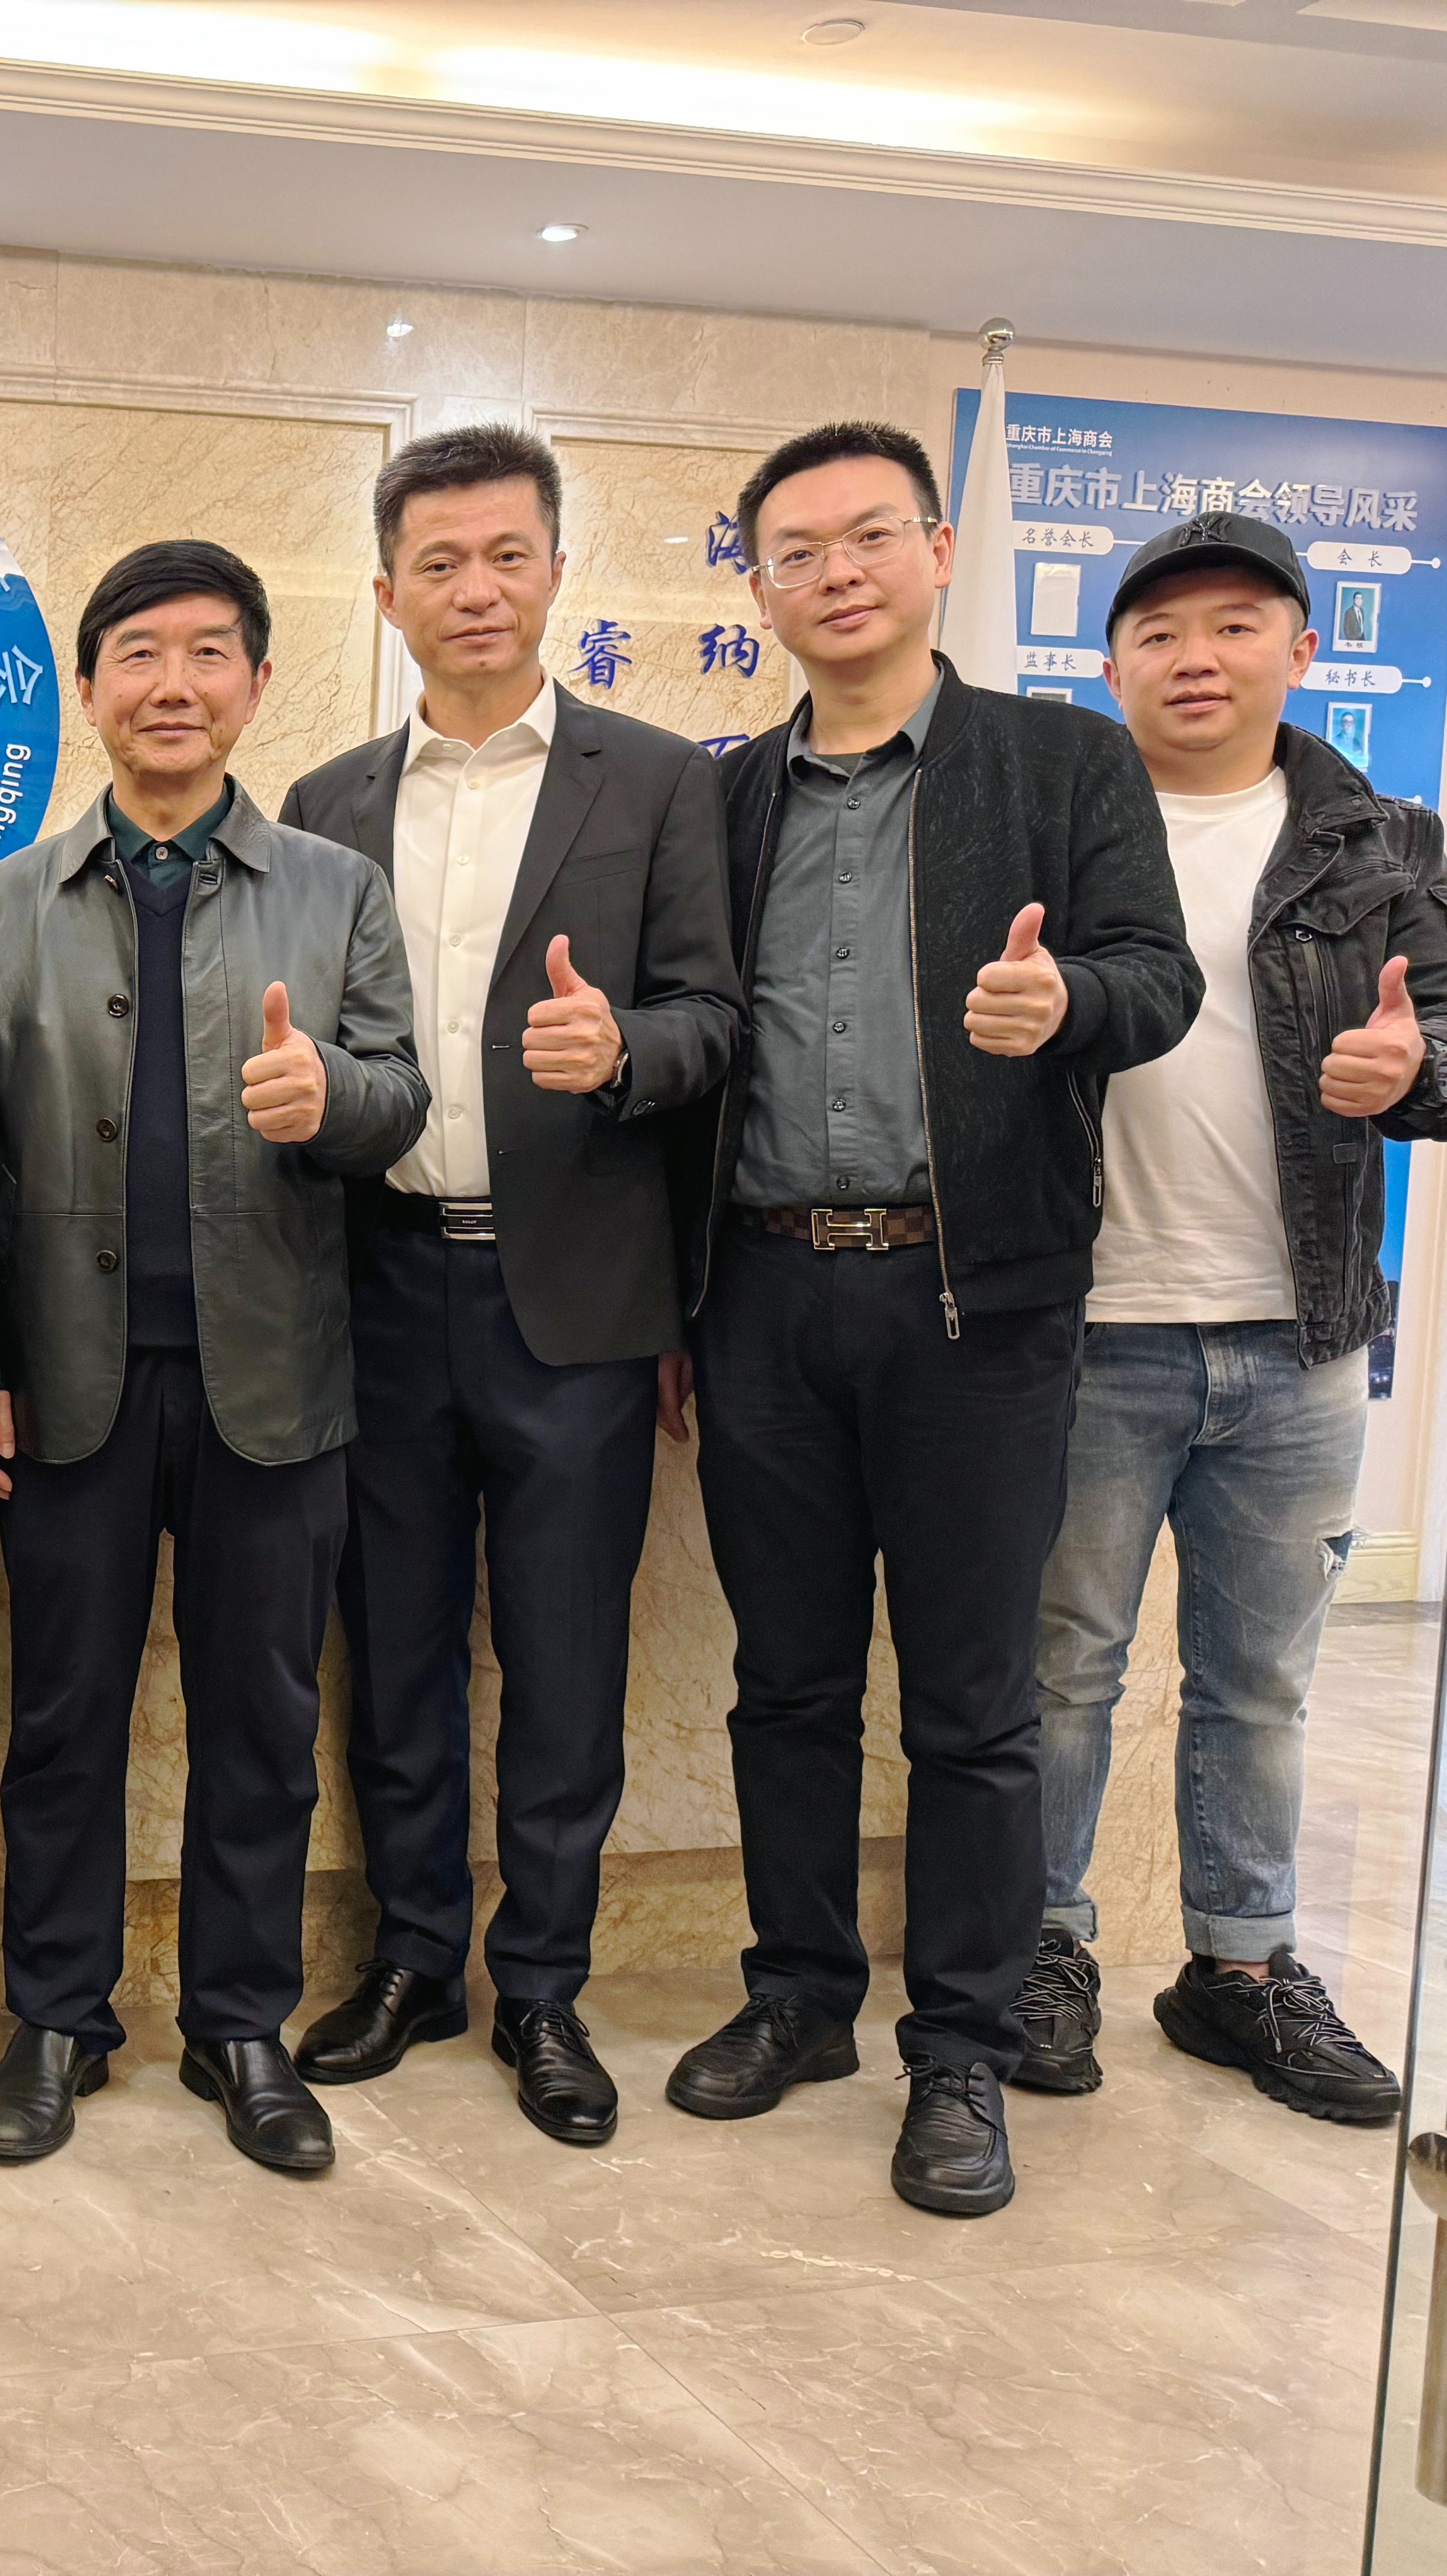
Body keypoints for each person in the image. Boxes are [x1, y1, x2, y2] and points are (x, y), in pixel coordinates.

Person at [661, 421, 1199, 2218]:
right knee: (787, 1682)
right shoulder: (727, 797)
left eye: (870, 536)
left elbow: (1159, 976)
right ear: (758, 585)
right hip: (761, 1289)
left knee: (974, 1704)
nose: (838, 572)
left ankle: (961, 2046)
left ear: (939, 547)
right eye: (797, 550)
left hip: (977, 1300)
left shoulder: (1059, 759)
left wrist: (1070, 1007)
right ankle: (801, 1995)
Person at [0, 540, 429, 2176]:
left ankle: (239, 2021)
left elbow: (400, 1097)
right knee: (63, 1719)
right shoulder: (8, 903)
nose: (172, 684)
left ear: (258, 684)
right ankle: (57, 2015)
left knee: (261, 1722)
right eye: (137, 654)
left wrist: (332, 1099)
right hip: (67, 1384)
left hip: (275, 1384)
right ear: (88, 690)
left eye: (209, 652)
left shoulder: (335, 889)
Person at [280, 425, 740, 2147]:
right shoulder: (327, 802)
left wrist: (627, 1050)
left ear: (554, 571)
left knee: (561, 1661)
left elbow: (719, 1018)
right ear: (385, 592)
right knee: (395, 1651)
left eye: (506, 556)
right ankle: (415, 1958)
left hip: (581, 1303)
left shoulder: (660, 781)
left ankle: (543, 1983)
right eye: (439, 563)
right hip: (378, 1287)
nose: (475, 589)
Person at [1018, 510, 1444, 2121]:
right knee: (1063, 1668)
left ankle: (1243, 1969)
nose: (1196, 659)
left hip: (1300, 1336)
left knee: (1260, 1680)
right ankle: (1043, 1948)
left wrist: (1416, 1071)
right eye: (1161, 632)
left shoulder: (1386, 845)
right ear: (1110, 664)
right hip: (1086, 1327)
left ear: (1302, 648)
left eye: (1236, 625)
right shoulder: (1055, 834)